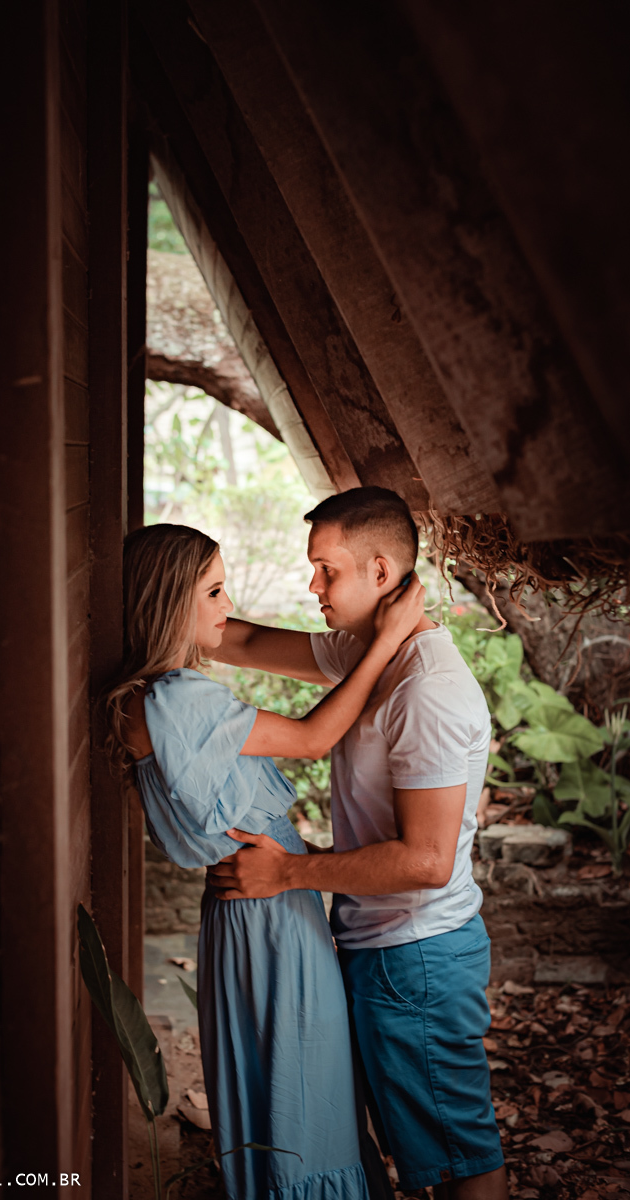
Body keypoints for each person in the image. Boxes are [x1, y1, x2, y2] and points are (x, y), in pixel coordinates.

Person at [105, 521, 425, 1200]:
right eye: (216, 592)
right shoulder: (179, 701)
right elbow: (312, 738)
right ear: (167, 604)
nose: (230, 608)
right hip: (270, 910)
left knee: (279, 1084)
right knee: (306, 1091)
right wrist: (390, 640)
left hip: (245, 906)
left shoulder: (147, 701)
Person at [208, 487, 508, 1200]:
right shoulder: (364, 651)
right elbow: (244, 642)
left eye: (326, 570)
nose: (311, 585)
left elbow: (425, 862)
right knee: (425, 1152)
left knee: (460, 1158)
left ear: (380, 573)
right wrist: (160, 599)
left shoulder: (426, 690)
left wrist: (288, 874)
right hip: (384, 949)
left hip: (418, 958)